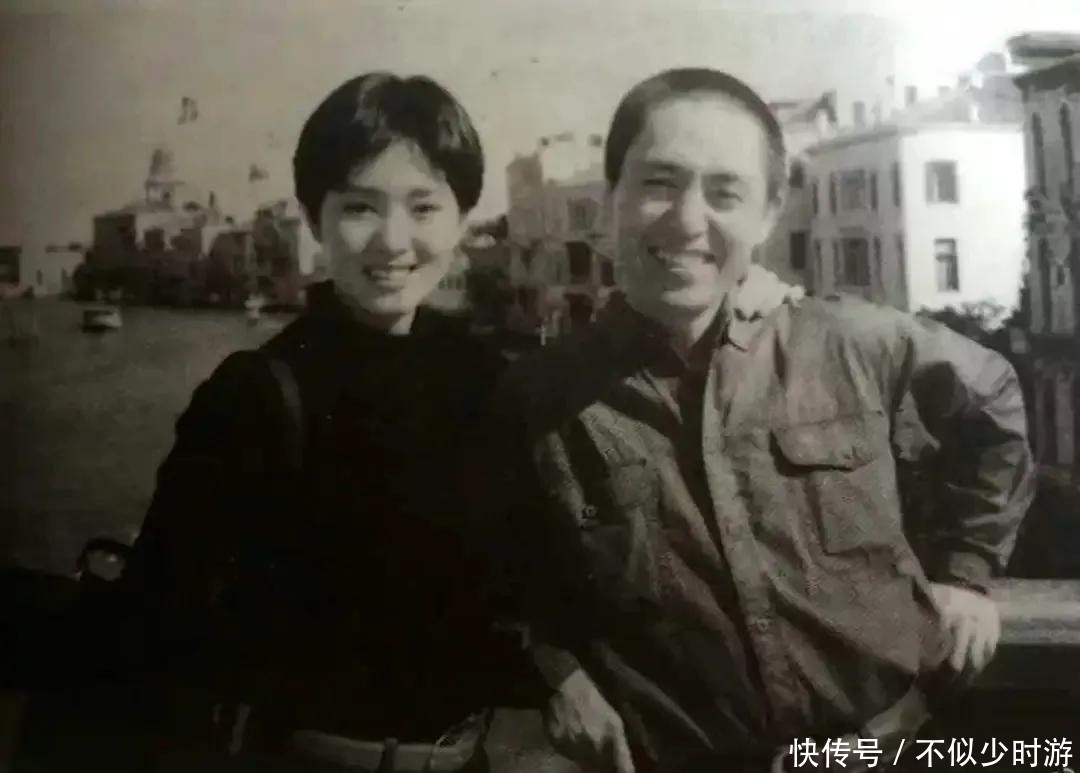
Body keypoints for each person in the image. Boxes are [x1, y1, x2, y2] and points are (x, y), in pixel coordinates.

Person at [121, 71, 799, 772]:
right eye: (359, 207)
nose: (393, 241)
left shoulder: (482, 376)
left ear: (462, 217)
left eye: (423, 207)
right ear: (314, 217)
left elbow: (535, 571)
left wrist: (743, 296)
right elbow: (154, 638)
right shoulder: (256, 396)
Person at [496, 68, 1035, 773]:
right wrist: (558, 673)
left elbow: (991, 398)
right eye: (659, 183)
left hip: (886, 750)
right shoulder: (540, 397)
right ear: (612, 198)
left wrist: (965, 572)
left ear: (769, 212)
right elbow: (505, 574)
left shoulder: (851, 343)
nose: (688, 220)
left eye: (725, 192)